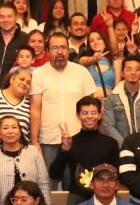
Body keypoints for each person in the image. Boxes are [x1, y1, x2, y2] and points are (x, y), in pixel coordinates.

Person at [30, 33, 98, 188]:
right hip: (48, 140)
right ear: (47, 51)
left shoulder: (82, 72)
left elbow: (91, 106)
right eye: (55, 48)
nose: (59, 51)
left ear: (68, 50)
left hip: (78, 140)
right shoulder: (38, 74)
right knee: (48, 186)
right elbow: (35, 108)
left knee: (78, 185)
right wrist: (34, 141)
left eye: (63, 47)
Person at [0, 116, 51, 205]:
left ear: (20, 132)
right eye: (5, 128)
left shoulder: (33, 151)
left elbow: (44, 184)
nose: (10, 131)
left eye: (14, 127)